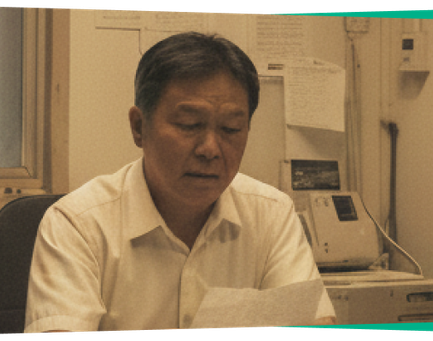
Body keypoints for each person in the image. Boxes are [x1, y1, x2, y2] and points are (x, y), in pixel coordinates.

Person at [23, 32, 336, 333]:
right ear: (138, 126)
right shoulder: (77, 224)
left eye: (230, 129)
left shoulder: (272, 215)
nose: (210, 149)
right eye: (189, 125)